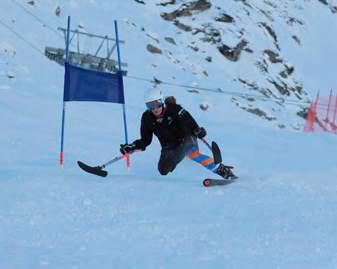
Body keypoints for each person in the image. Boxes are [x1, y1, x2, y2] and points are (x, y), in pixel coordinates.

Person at [120, 89, 234, 179]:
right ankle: (186, 159)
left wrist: (199, 131)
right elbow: (145, 140)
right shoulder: (147, 118)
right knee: (163, 170)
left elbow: (191, 122)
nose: (155, 109)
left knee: (192, 153)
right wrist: (133, 146)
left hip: (186, 138)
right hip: (169, 146)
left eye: (157, 104)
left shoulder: (175, 109)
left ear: (161, 102)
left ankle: (222, 170)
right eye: (150, 106)